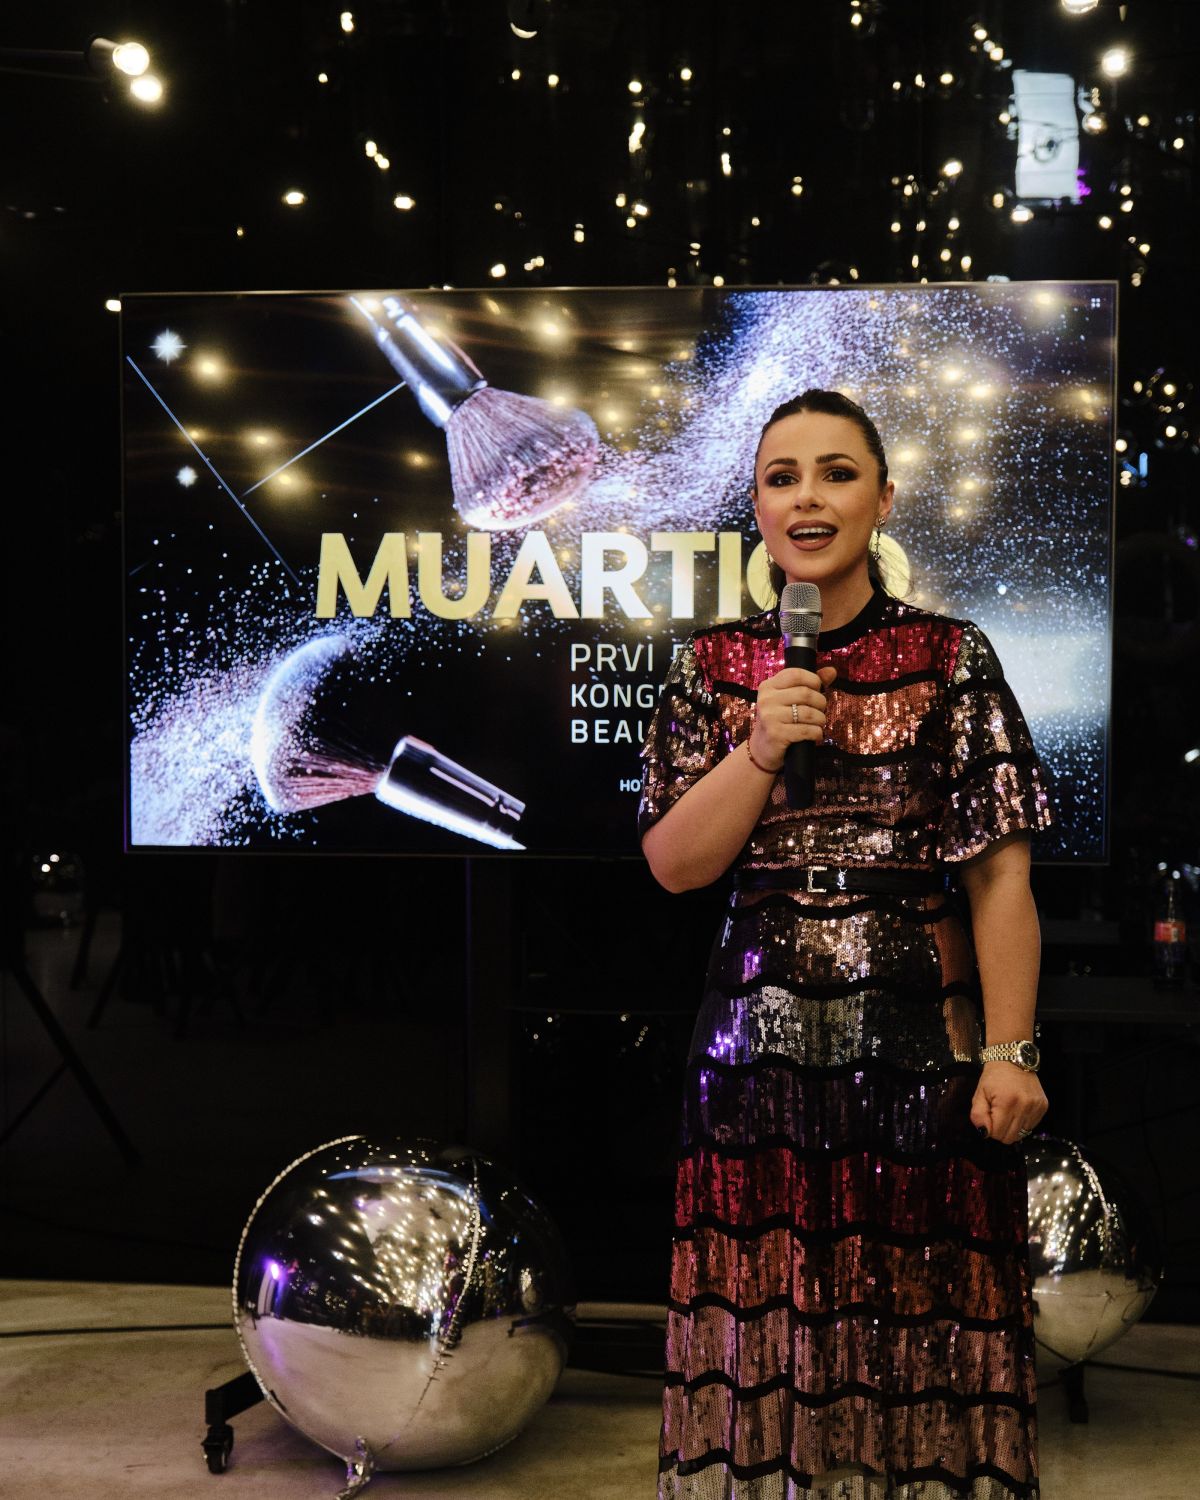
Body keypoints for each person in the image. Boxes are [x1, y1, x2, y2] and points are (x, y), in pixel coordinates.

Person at [639, 389, 1052, 1500]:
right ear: (757, 506)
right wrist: (761, 746)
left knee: (920, 1312)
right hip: (756, 1043)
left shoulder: (950, 655)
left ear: (882, 498)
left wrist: (1011, 1052)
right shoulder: (712, 665)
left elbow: (1001, 876)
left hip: (917, 1036)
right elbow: (675, 865)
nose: (807, 497)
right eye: (782, 477)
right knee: (764, 1314)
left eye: (835, 472)